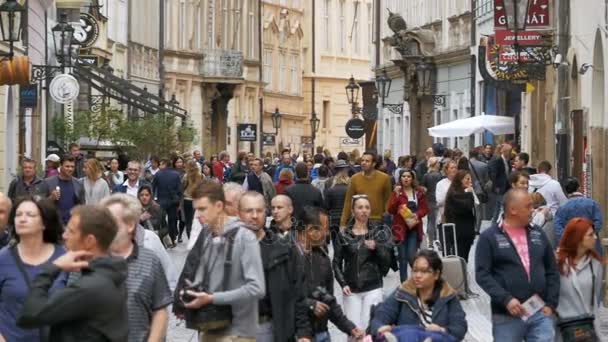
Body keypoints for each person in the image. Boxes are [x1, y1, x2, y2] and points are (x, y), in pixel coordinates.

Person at [16, 205, 128, 341]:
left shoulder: (90, 287)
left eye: (70, 231)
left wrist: (53, 268)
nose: (64, 236)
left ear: (89, 241)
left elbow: (29, 316)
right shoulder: (112, 275)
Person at [173, 181, 265, 342]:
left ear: (218, 206)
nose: (197, 215)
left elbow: (256, 289)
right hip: (210, 329)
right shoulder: (209, 234)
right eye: (196, 210)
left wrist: (212, 298)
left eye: (202, 209)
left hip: (238, 333)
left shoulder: (244, 236)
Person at [475, 189, 560, 342]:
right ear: (513, 209)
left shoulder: (538, 233)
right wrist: (505, 299)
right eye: (528, 206)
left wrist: (551, 304)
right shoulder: (490, 237)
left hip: (540, 311)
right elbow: (482, 275)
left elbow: (552, 269)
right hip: (507, 315)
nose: (532, 210)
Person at [237, 192, 312, 342]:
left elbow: (299, 292)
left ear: (265, 213)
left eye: (259, 210)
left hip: (268, 327)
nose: (254, 215)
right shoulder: (226, 247)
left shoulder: (283, 248)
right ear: (239, 214)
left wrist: (303, 332)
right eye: (249, 211)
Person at [101, 195, 172, 341]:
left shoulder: (150, 260)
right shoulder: (90, 261)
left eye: (111, 221)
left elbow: (160, 309)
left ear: (130, 225)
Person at [0, 198, 66, 342]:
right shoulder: (3, 259)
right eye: (18, 215)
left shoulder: (64, 258)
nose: (22, 219)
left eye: (30, 215)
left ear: (44, 223)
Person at [295, 206, 364, 341]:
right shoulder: (286, 257)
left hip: (322, 333)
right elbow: (282, 299)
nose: (327, 234)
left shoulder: (323, 258)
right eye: (323, 228)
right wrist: (310, 304)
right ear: (308, 229)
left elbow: (328, 299)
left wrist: (349, 327)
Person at [370, 250, 468, 341]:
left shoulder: (448, 296)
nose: (418, 275)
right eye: (415, 270)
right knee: (408, 332)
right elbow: (380, 316)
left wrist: (442, 330)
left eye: (424, 271)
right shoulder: (402, 293)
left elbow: (459, 327)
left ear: (436, 274)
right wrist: (380, 327)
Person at [333, 196, 392, 331]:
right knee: (353, 330)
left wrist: (377, 247)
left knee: (370, 328)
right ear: (353, 211)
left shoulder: (378, 232)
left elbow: (387, 261)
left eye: (367, 207)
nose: (364, 211)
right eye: (360, 207)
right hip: (351, 288)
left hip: (373, 286)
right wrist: (343, 283)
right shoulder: (344, 235)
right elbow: (336, 262)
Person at [555, 218, 603, 339]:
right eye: (590, 235)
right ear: (578, 238)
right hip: (561, 328)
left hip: (587, 329)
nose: (596, 238)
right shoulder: (556, 263)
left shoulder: (596, 265)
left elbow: (595, 299)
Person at [388, 169, 430, 281]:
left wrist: (417, 214)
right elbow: (391, 210)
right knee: (402, 258)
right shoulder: (397, 192)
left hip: (414, 228)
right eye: (403, 176)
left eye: (408, 176)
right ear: (400, 179)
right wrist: (396, 196)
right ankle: (404, 284)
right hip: (400, 229)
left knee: (411, 256)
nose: (406, 178)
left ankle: (417, 278)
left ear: (412, 179)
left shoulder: (418, 193)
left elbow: (425, 208)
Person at [340, 151, 392, 228]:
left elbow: (388, 199)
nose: (363, 163)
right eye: (362, 160)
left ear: (374, 164)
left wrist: (386, 216)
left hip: (377, 220)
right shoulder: (354, 178)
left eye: (367, 161)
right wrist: (343, 223)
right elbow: (348, 201)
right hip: (359, 220)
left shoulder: (384, 178)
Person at [554, 177, 603, 248]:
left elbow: (558, 229)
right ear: (579, 188)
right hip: (591, 247)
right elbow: (598, 222)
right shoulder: (592, 204)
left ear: (565, 191)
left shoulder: (562, 208)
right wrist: (589, 235)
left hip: (572, 248)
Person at [444, 170, 477, 261]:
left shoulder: (463, 192)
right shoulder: (455, 194)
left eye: (470, 179)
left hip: (467, 231)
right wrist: (469, 193)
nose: (470, 181)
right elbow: (467, 206)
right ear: (460, 180)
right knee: (460, 257)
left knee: (464, 258)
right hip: (459, 232)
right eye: (467, 179)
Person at [44, 154, 85, 225]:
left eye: (72, 167)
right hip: (54, 226)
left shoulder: (79, 184)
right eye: (67, 166)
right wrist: (51, 198)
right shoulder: (48, 182)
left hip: (72, 225)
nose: (70, 169)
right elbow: (40, 204)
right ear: (60, 166)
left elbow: (82, 205)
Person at [152, 158, 183, 247]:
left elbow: (153, 188)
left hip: (161, 201)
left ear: (165, 164)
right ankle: (173, 239)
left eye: (161, 164)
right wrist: (180, 202)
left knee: (161, 221)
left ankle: (162, 238)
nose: (160, 166)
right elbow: (179, 190)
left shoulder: (158, 174)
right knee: (172, 221)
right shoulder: (176, 174)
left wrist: (153, 199)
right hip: (173, 201)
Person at [323, 160, 351, 244]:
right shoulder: (350, 183)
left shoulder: (329, 183)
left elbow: (326, 205)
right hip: (347, 218)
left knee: (336, 243)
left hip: (334, 218)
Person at [489, 143, 513, 224]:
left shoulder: (507, 160)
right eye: (509, 151)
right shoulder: (497, 160)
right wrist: (496, 186)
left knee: (498, 207)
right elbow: (493, 174)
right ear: (504, 151)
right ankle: (496, 224)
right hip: (499, 188)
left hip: (506, 187)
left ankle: (495, 223)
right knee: (501, 206)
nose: (510, 153)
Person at [180, 160, 202, 243]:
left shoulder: (186, 176)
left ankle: (191, 239)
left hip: (187, 200)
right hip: (197, 200)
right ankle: (196, 239)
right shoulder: (201, 176)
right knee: (196, 220)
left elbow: (182, 188)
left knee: (188, 221)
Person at [435, 160, 458, 226]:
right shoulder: (441, 184)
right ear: (446, 170)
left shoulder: (461, 182)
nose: (454, 170)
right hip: (445, 217)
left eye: (455, 168)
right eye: (452, 168)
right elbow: (439, 201)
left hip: (459, 218)